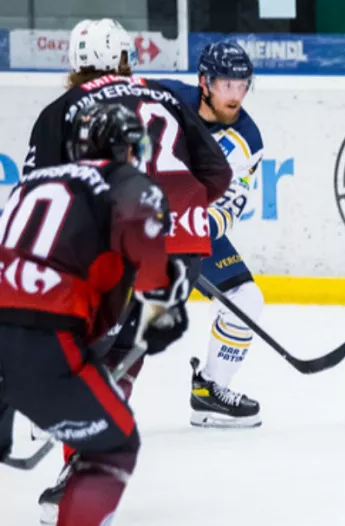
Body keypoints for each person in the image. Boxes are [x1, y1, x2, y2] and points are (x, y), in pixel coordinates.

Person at [0, 102, 190, 526]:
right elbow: (151, 288)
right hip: (42, 339)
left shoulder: (33, 182)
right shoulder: (130, 185)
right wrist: (164, 303)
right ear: (130, 149)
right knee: (114, 443)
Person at [22, 18, 232, 402]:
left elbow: (41, 194)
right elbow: (218, 173)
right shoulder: (165, 96)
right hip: (181, 258)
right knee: (129, 338)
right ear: (119, 56)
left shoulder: (62, 110)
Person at [159, 41, 265, 427]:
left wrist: (186, 233)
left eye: (242, 86)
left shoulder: (247, 139)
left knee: (246, 297)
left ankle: (210, 391)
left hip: (188, 228)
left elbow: (228, 207)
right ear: (205, 82)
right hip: (132, 219)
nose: (236, 96)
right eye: (227, 85)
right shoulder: (165, 98)